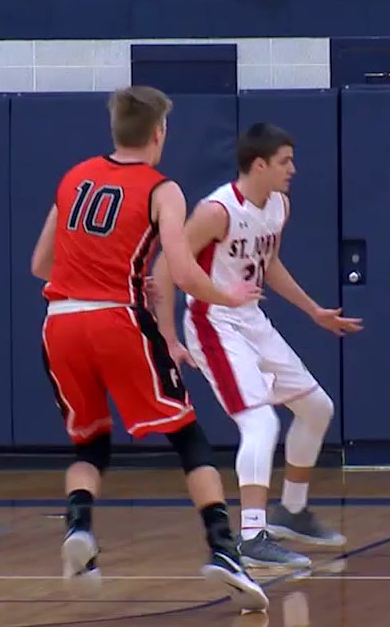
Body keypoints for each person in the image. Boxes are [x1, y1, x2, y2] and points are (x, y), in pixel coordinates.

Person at [30, 86, 268, 612]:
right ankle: (225, 551)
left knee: (89, 445)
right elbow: (183, 272)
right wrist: (226, 293)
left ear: (116, 131)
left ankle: (80, 528)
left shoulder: (73, 177)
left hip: (60, 323)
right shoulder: (163, 188)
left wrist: (118, 275)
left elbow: (41, 264)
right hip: (117, 321)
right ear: (159, 134)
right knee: (187, 435)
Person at [152, 123, 362, 568]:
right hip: (214, 323)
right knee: (261, 423)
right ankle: (250, 535)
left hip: (251, 319)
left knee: (317, 407)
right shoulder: (216, 212)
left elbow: (269, 265)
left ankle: (293, 510)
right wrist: (168, 337)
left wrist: (313, 311)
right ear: (260, 164)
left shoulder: (278, 206)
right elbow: (165, 269)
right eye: (285, 161)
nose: (294, 169)